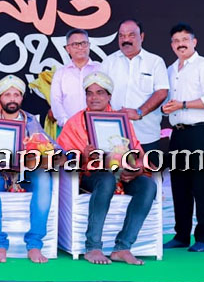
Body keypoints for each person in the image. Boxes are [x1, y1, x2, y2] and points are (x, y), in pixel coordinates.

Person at [57, 72, 157, 266]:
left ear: (109, 95)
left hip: (123, 174)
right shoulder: (75, 122)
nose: (94, 98)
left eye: (100, 92)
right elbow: (62, 158)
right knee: (106, 180)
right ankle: (93, 247)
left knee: (148, 186)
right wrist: (83, 156)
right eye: (90, 93)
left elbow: (137, 152)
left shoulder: (121, 121)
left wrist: (136, 170)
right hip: (90, 175)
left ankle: (123, 247)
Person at [0, 75, 60, 263]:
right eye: (7, 95)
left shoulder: (31, 122)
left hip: (25, 175)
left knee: (44, 178)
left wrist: (42, 155)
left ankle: (34, 244)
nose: (12, 99)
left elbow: (55, 149)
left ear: (21, 98)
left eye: (16, 95)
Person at [160, 23, 204, 253]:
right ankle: (181, 235)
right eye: (176, 41)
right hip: (178, 132)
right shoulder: (170, 70)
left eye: (185, 39)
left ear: (194, 42)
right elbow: (169, 103)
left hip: (200, 130)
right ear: (172, 45)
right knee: (179, 185)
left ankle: (203, 237)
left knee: (199, 184)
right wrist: (167, 109)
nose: (181, 44)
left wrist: (183, 104)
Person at [102, 19, 169, 162]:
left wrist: (139, 112)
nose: (125, 40)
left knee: (150, 173)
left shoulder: (155, 62)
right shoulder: (109, 62)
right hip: (115, 137)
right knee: (116, 175)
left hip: (146, 135)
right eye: (121, 36)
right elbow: (100, 93)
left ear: (142, 37)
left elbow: (162, 92)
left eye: (131, 35)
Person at [50, 29, 101, 128]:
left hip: (97, 126)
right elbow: (56, 102)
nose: (80, 47)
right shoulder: (60, 73)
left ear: (89, 45)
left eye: (84, 43)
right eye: (75, 44)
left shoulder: (100, 69)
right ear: (67, 49)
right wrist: (67, 124)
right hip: (69, 129)